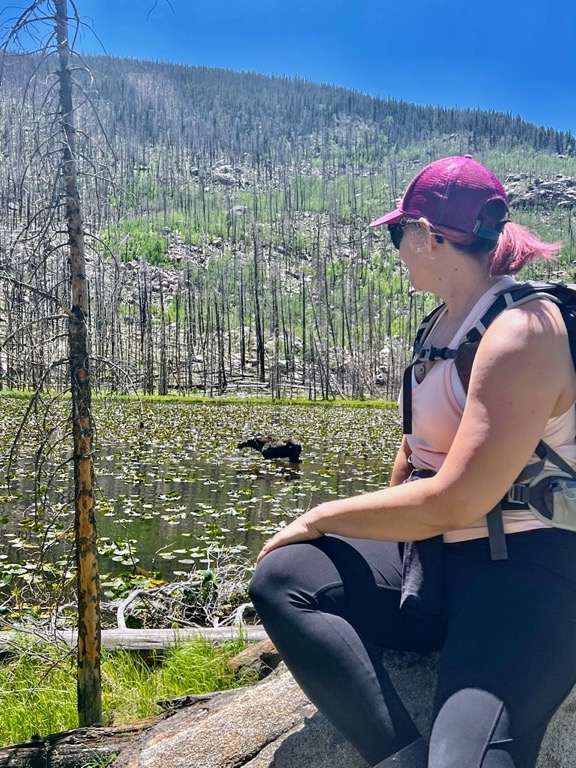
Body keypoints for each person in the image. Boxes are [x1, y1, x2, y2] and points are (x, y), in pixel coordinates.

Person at [248, 155, 576, 768]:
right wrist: (374, 519)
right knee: (285, 580)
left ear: (428, 235)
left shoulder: (524, 330)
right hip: (436, 560)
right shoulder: (442, 325)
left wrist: (324, 515)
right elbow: (415, 451)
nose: (396, 246)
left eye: (399, 232)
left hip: (527, 571)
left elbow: (458, 499)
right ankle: (400, 755)